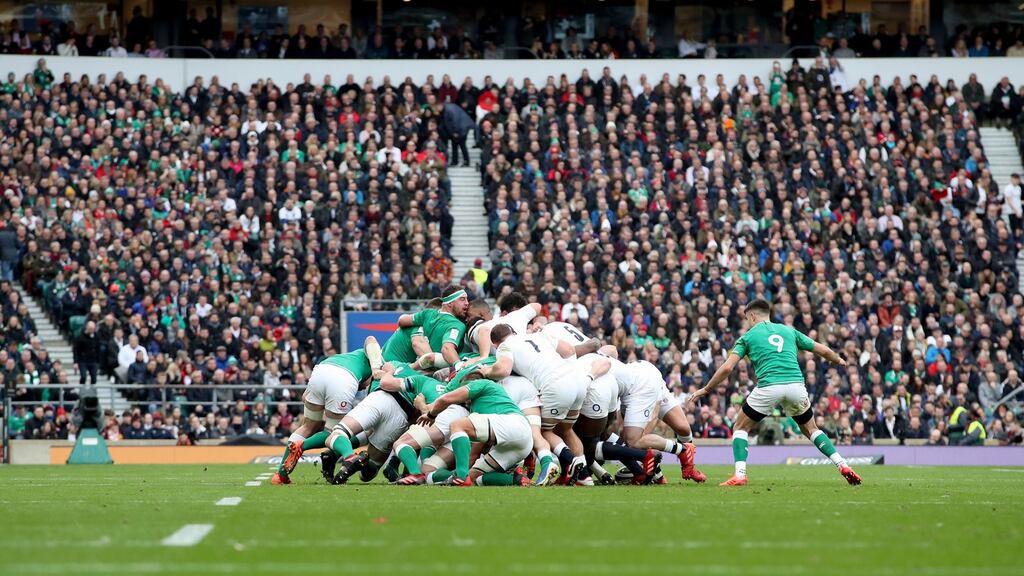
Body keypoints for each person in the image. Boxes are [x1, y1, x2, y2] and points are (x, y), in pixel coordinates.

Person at [688, 299, 862, 486]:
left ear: (752, 316)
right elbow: (822, 349)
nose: (748, 322)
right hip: (796, 386)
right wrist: (839, 360)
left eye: (748, 318)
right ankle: (842, 464)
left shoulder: (748, 336)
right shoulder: (789, 331)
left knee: (740, 427)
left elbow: (726, 368)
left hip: (769, 386)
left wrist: (706, 389)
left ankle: (740, 475)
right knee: (811, 429)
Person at [271, 338, 379, 484]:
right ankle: (340, 454)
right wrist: (376, 369)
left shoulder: (350, 356)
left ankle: (281, 475)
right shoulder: (379, 358)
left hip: (320, 370)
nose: (364, 387)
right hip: (343, 379)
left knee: (308, 426)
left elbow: (304, 397)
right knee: (335, 433)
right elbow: (370, 339)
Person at [419, 371, 534, 486]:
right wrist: (466, 475)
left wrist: (431, 415)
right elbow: (474, 454)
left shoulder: (481, 383)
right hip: (523, 442)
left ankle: (461, 477)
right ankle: (518, 480)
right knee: (475, 478)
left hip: (513, 423)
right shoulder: (481, 409)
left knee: (457, 425)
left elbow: (445, 399)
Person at [73, 321, 102, 385]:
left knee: (94, 378)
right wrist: (75, 362)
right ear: (87, 327)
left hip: (93, 360)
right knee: (83, 377)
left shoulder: (96, 337)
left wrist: (98, 362)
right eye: (90, 328)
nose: (91, 330)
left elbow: (98, 349)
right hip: (83, 360)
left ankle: (92, 393)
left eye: (93, 329)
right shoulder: (80, 337)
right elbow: (76, 350)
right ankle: (82, 390)